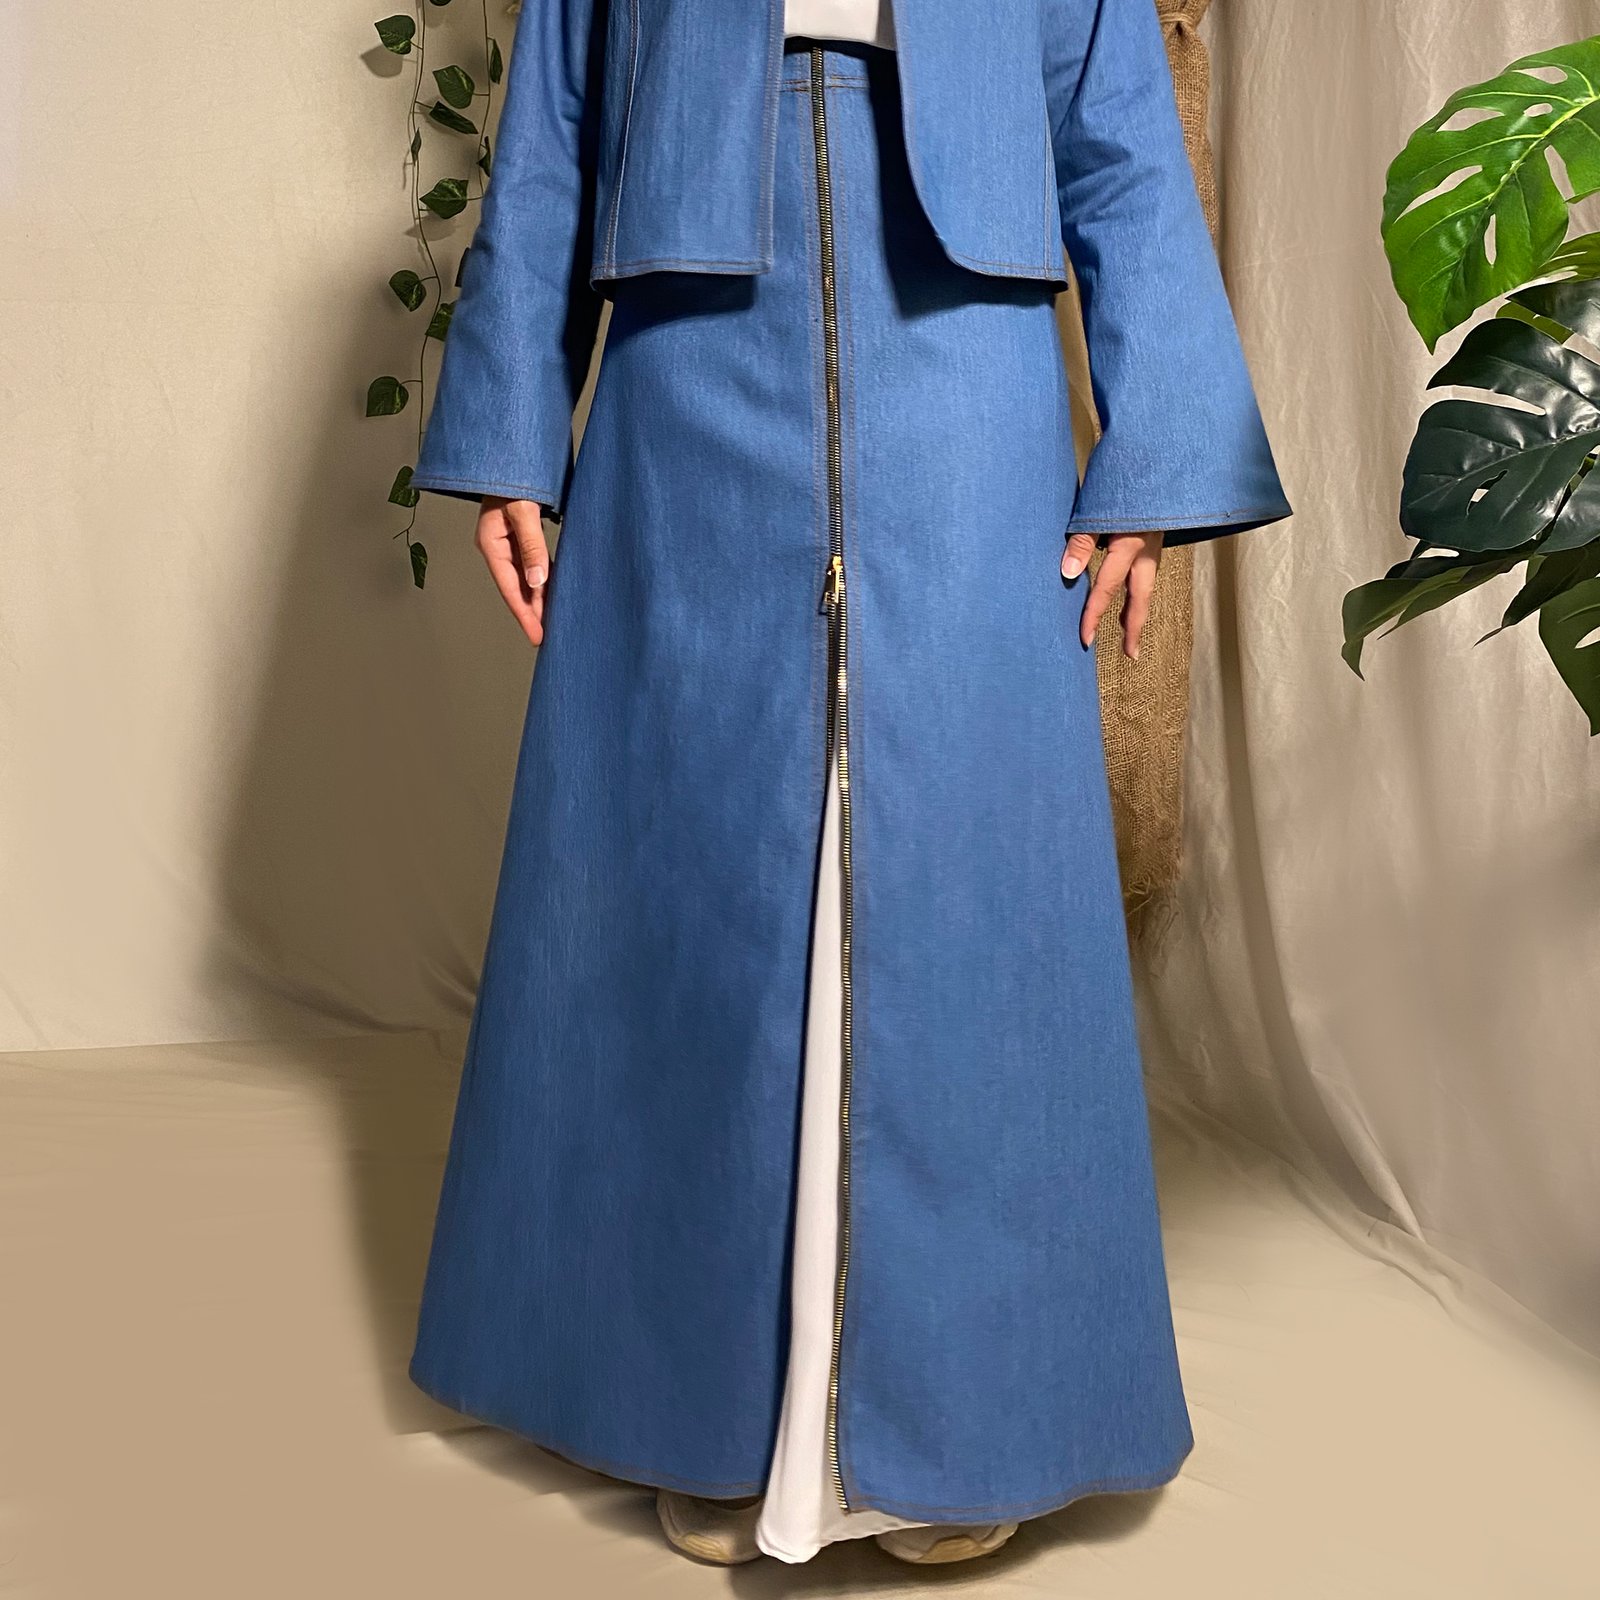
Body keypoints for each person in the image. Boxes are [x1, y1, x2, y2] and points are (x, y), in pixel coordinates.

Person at [404, 0, 1291, 1569]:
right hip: (688, 345)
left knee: (966, 872)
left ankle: (967, 1420)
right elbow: (553, 117)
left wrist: (1152, 445)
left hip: (967, 351)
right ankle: (710, 1411)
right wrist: (512, 428)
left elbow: (1119, 132)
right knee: (691, 859)